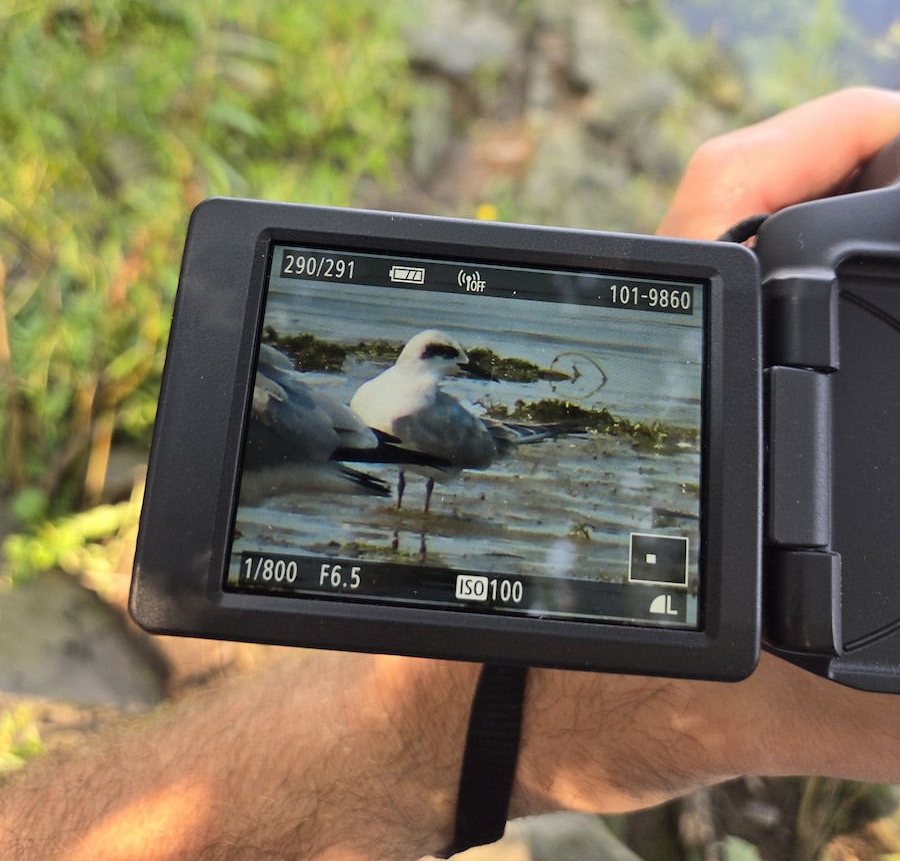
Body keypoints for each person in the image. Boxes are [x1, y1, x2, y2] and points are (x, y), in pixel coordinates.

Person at [4, 86, 900, 861]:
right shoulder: (378, 398)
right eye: (447, 352)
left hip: (434, 458)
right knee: (408, 494)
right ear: (421, 353)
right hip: (405, 459)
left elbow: (445, 451)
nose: (458, 365)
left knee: (415, 494)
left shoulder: (404, 399)